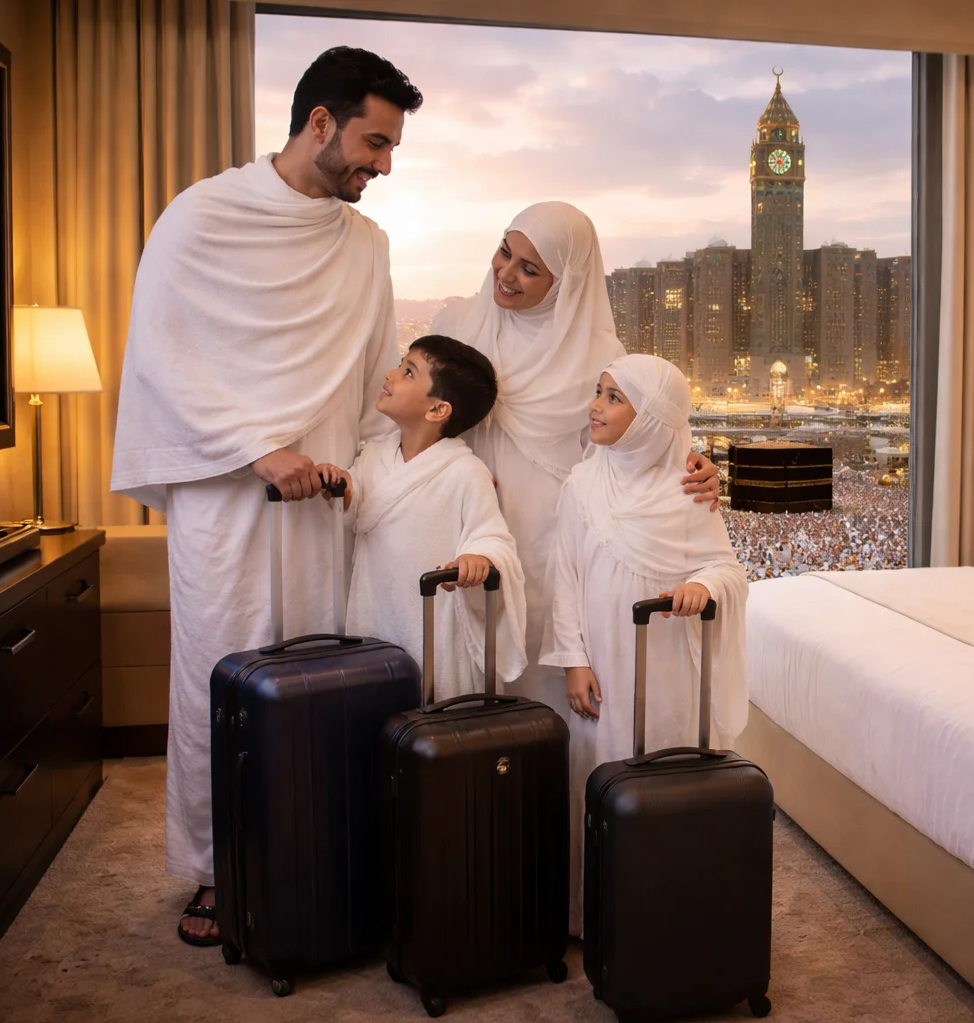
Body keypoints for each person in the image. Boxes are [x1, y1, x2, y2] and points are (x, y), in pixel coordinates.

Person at [109, 46, 423, 947]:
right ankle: (220, 869)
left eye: (393, 147)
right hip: (230, 499)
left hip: (326, 503)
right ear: (319, 122)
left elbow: (372, 374)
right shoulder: (201, 216)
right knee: (223, 681)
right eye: (373, 141)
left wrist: (372, 466)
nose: (383, 165)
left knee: (326, 684)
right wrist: (260, 450)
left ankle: (319, 856)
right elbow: (165, 357)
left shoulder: (366, 245)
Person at [432, 203, 719, 719]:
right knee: (471, 690)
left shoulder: (599, 354)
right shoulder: (460, 328)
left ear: (568, 282)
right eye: (505, 252)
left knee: (552, 689)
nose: (506, 273)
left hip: (557, 542)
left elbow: (647, 430)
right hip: (469, 528)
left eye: (530, 268)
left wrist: (693, 460)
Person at [542, 354, 750, 934]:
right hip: (602, 668)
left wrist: (700, 586)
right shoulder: (583, 483)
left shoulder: (688, 488)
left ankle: (668, 919)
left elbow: (725, 569)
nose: (596, 406)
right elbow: (565, 576)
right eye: (599, 391)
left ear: (654, 418)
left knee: (666, 782)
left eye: (614, 397)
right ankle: (597, 921)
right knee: (599, 776)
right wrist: (574, 660)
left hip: (666, 671)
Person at [315, 335, 527, 699]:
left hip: (433, 625)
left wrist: (480, 557)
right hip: (376, 612)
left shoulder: (465, 471)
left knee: (430, 725)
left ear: (437, 410)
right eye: (400, 364)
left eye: (408, 372)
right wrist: (341, 484)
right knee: (371, 713)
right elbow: (362, 502)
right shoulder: (376, 454)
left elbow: (492, 536)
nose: (390, 374)